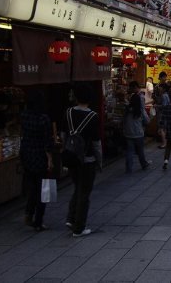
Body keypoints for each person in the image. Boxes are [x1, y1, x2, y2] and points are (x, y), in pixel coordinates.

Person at [64, 83, 102, 237]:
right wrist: (100, 161)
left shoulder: (68, 113)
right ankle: (79, 227)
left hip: (72, 157)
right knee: (84, 192)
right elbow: (96, 143)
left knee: (77, 187)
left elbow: (63, 135)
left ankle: (71, 218)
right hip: (87, 159)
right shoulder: (93, 116)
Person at [19, 89, 54, 232]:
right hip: (41, 156)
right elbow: (47, 141)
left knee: (32, 186)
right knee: (45, 189)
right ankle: (39, 220)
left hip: (27, 153)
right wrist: (50, 159)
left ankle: (28, 213)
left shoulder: (24, 116)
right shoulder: (43, 118)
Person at [123, 81, 151, 173]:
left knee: (129, 150)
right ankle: (144, 164)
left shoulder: (127, 110)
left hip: (128, 132)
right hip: (138, 132)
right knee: (140, 150)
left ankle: (128, 168)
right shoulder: (139, 112)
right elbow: (145, 118)